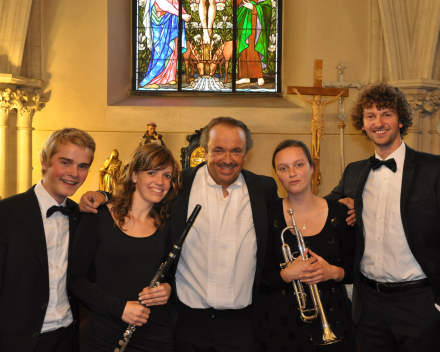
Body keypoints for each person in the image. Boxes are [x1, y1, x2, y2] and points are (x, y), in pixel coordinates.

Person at [79, 117, 279, 352]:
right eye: (218, 150)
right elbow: (143, 194)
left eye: (236, 150)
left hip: (242, 325)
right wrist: (104, 195)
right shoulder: (179, 185)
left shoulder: (263, 189)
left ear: (246, 154)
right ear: (205, 152)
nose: (227, 159)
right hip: (186, 323)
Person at [325, 83, 440, 351]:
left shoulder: (433, 169)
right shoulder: (355, 172)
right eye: (370, 116)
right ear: (362, 125)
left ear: (401, 120)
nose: (379, 122)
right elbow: (325, 207)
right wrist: (343, 204)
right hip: (370, 305)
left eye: (386, 114)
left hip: (420, 302)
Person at [69, 144, 181, 352]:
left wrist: (168, 289)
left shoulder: (167, 225)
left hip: (156, 338)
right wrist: (119, 308)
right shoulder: (98, 216)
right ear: (134, 175)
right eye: (152, 173)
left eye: (167, 176)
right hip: (106, 335)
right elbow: (75, 278)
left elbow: (173, 275)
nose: (160, 182)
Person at [0, 128, 96, 352]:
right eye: (66, 162)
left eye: (82, 166)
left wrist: (105, 195)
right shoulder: (6, 214)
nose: (74, 173)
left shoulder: (82, 217)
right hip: (18, 340)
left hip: (68, 337)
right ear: (44, 161)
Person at [258, 140, 356, 352]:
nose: (292, 173)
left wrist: (332, 271)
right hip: (279, 326)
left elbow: (355, 271)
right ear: (277, 174)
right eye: (283, 168)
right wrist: (287, 273)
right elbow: (257, 280)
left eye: (299, 165)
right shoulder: (267, 215)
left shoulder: (340, 213)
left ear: (312, 168)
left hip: (333, 318)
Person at [140, 0, 191, 88]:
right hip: (159, 24)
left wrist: (183, 13)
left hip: (172, 22)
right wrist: (182, 15)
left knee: (173, 49)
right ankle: (153, 78)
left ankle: (170, 77)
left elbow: (176, 3)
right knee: (160, 51)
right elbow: (164, 4)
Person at [236, 0, 272, 87]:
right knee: (244, 49)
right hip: (243, 21)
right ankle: (245, 76)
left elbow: (267, 7)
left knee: (254, 46)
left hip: (256, 21)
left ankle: (259, 76)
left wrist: (254, 8)